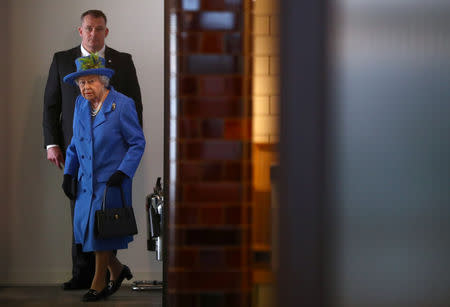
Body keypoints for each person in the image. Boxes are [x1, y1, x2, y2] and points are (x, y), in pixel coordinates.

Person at [42, 9, 143, 290]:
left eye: (99, 29)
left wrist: (126, 165)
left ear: (105, 32)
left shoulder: (122, 64)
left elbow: (135, 110)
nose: (93, 34)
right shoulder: (63, 62)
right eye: (88, 28)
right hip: (81, 158)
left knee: (106, 220)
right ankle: (92, 272)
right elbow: (51, 106)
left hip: (112, 160)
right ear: (81, 30)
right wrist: (54, 146)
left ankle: (100, 280)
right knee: (82, 219)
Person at [61, 53, 145, 301]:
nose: (86, 87)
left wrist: (123, 171)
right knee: (86, 230)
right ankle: (117, 270)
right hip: (86, 180)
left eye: (90, 82)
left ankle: (98, 283)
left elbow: (137, 143)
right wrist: (69, 173)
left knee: (100, 233)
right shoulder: (80, 104)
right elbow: (76, 142)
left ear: (103, 81)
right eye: (81, 83)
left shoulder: (123, 104)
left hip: (111, 182)